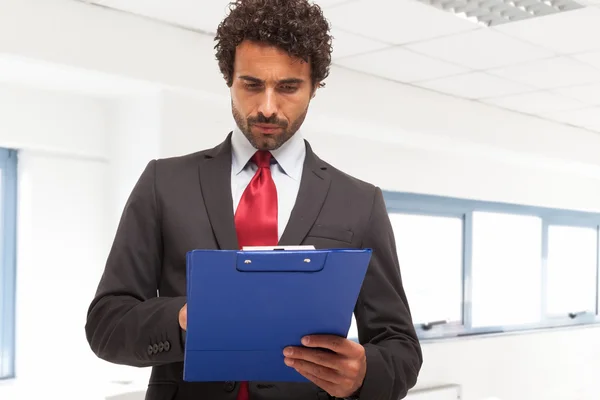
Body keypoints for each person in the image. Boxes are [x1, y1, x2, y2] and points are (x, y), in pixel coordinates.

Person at [85, 0, 422, 399]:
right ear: (229, 78)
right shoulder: (164, 183)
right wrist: (181, 319)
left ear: (314, 87)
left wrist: (364, 372)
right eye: (251, 84)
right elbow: (106, 324)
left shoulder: (360, 202)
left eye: (288, 87)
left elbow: (401, 347)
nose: (267, 106)